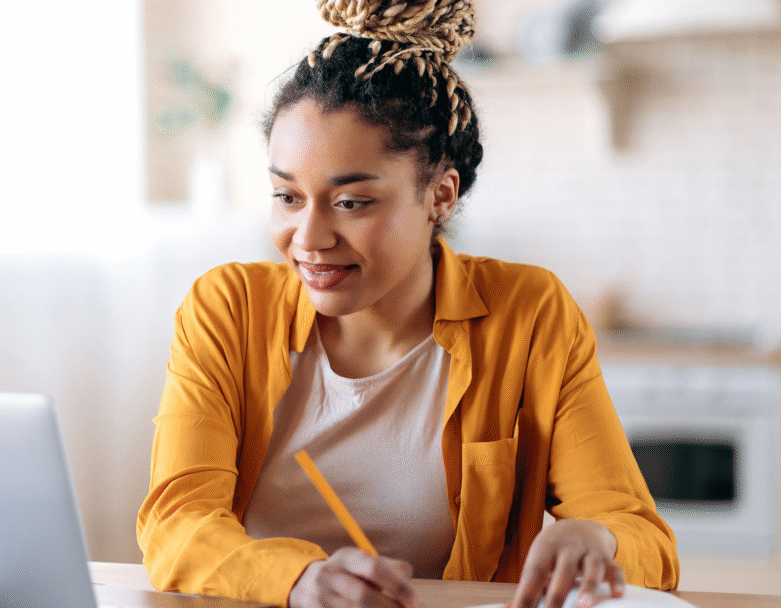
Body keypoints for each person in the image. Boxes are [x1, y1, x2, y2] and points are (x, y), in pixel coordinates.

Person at [136, 2, 679, 608]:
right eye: (287, 196)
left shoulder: (530, 315)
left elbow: (647, 544)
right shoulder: (228, 310)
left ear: (439, 195)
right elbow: (175, 526)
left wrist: (598, 538)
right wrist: (298, 581)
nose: (309, 238)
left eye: (353, 202)